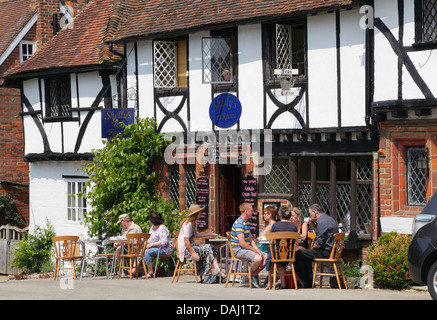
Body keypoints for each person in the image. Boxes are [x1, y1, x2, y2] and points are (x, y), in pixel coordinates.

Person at [294, 204, 338, 288]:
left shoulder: (321, 222)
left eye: (310, 214)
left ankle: (304, 282)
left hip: (325, 252)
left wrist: (310, 249)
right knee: (305, 253)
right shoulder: (329, 219)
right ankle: (308, 281)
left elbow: (318, 244)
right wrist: (312, 225)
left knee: (297, 254)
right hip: (331, 250)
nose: (309, 216)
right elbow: (320, 233)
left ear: (315, 212)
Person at [177, 204, 221, 276]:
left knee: (210, 247)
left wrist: (209, 234)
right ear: (196, 214)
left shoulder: (194, 223)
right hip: (187, 249)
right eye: (200, 212)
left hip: (192, 246)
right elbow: (186, 240)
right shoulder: (188, 224)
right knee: (209, 247)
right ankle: (215, 270)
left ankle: (214, 270)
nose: (201, 213)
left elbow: (196, 235)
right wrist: (193, 253)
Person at [230, 203, 267, 288]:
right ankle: (249, 273)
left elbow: (251, 240)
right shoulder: (239, 223)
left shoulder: (246, 223)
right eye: (251, 210)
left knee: (268, 257)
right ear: (246, 211)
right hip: (238, 249)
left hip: (246, 249)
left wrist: (257, 250)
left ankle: (253, 273)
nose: (253, 212)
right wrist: (255, 251)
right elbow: (242, 243)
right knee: (258, 258)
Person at [267, 206, 298, 289]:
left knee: (271, 256)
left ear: (280, 215)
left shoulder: (275, 226)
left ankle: (270, 282)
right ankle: (283, 283)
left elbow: (272, 241)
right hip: (289, 254)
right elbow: (295, 241)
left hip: (277, 255)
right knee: (280, 260)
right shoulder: (293, 227)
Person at [138, 212, 174, 279]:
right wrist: (146, 243)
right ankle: (134, 270)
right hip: (155, 247)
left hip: (165, 249)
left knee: (147, 252)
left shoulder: (162, 228)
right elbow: (150, 239)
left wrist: (151, 244)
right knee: (141, 251)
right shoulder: (152, 227)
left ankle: (150, 272)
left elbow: (164, 242)